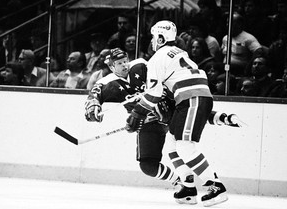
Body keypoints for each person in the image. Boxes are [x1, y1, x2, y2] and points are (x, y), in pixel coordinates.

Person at [85, 47, 241, 206]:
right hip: (146, 122)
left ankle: (219, 118)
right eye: (119, 63)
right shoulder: (107, 82)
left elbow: (160, 77)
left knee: (183, 132)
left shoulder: (140, 65)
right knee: (148, 166)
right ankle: (182, 184)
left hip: (167, 107)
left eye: (125, 61)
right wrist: (93, 108)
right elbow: (94, 95)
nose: (125, 65)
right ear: (111, 66)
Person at [125, 20, 238, 207]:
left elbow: (153, 93)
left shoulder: (157, 58)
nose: (153, 41)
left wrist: (137, 113)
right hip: (190, 98)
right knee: (172, 144)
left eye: (154, 37)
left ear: (160, 38)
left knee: (185, 146)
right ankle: (188, 188)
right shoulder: (179, 52)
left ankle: (216, 186)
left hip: (191, 98)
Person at [221, 13, 263, 77]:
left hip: (240, 69)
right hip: (226, 68)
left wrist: (249, 66)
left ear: (239, 24)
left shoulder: (248, 38)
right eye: (227, 22)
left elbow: (259, 51)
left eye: (231, 23)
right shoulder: (225, 38)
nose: (228, 25)